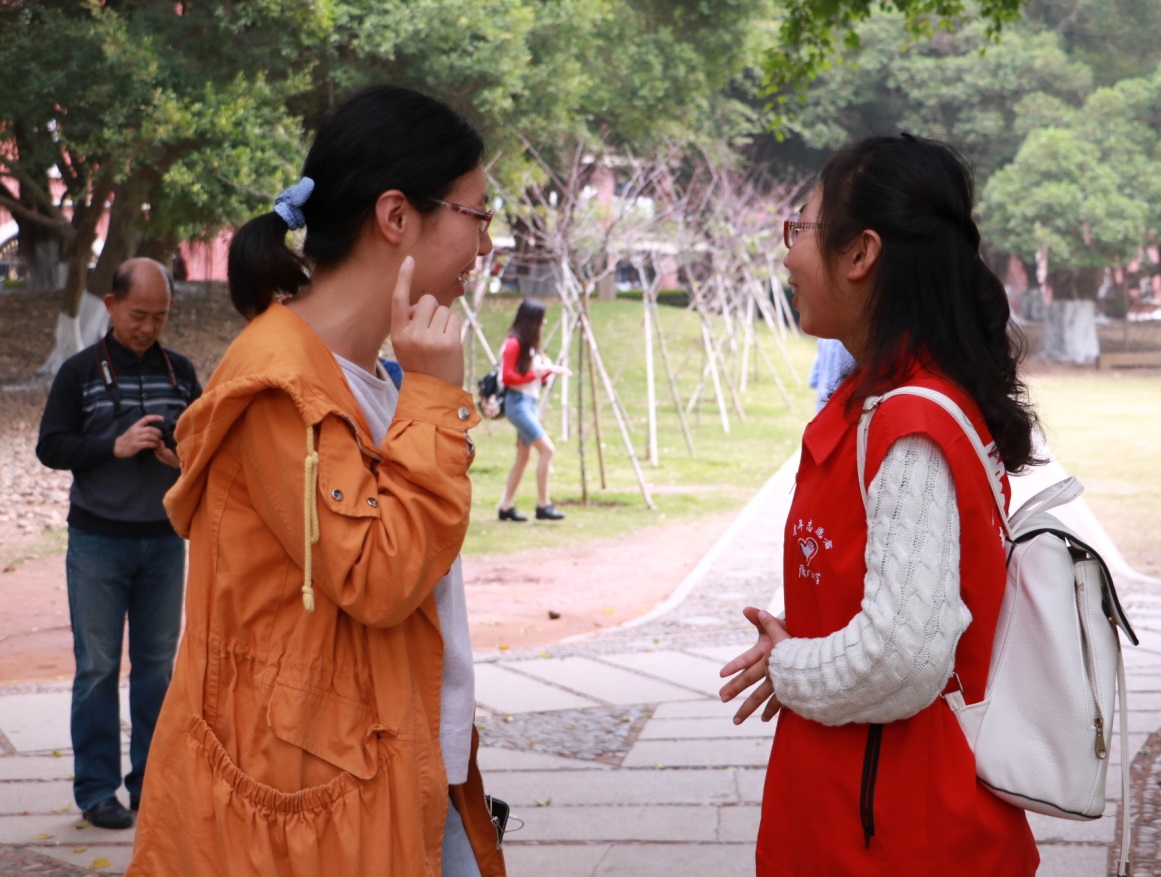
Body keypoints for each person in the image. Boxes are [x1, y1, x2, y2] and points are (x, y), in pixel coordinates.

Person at [126, 85, 506, 877]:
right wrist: (434, 400)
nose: (485, 244)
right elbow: (378, 576)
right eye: (476, 214)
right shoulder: (281, 386)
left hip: (405, 769)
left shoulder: (376, 379)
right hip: (317, 807)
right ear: (395, 216)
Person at [718, 134, 1042, 876]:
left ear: (861, 253)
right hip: (858, 814)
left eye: (801, 228)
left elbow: (901, 657)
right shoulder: (882, 402)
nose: (788, 255)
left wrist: (786, 665)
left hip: (899, 834)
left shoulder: (909, 423)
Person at [36, 257, 202, 830]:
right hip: (97, 540)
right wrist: (114, 445)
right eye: (138, 315)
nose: (148, 327)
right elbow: (51, 447)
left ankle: (152, 784)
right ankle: (97, 791)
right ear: (110, 306)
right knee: (98, 668)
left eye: (160, 317)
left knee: (157, 668)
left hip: (164, 542)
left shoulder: (181, 373)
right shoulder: (79, 372)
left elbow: (207, 446)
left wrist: (181, 455)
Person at [496, 298, 570, 522]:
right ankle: (543, 505)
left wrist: (548, 372)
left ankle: (505, 507)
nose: (544, 323)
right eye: (541, 319)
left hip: (529, 402)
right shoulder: (513, 344)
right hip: (517, 404)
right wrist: (537, 374)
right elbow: (508, 377)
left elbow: (534, 379)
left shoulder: (530, 346)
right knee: (547, 450)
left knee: (523, 456)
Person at [806, 337, 855, 412]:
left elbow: (813, 380)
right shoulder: (853, 344)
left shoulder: (823, 337)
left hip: (822, 407)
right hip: (842, 408)